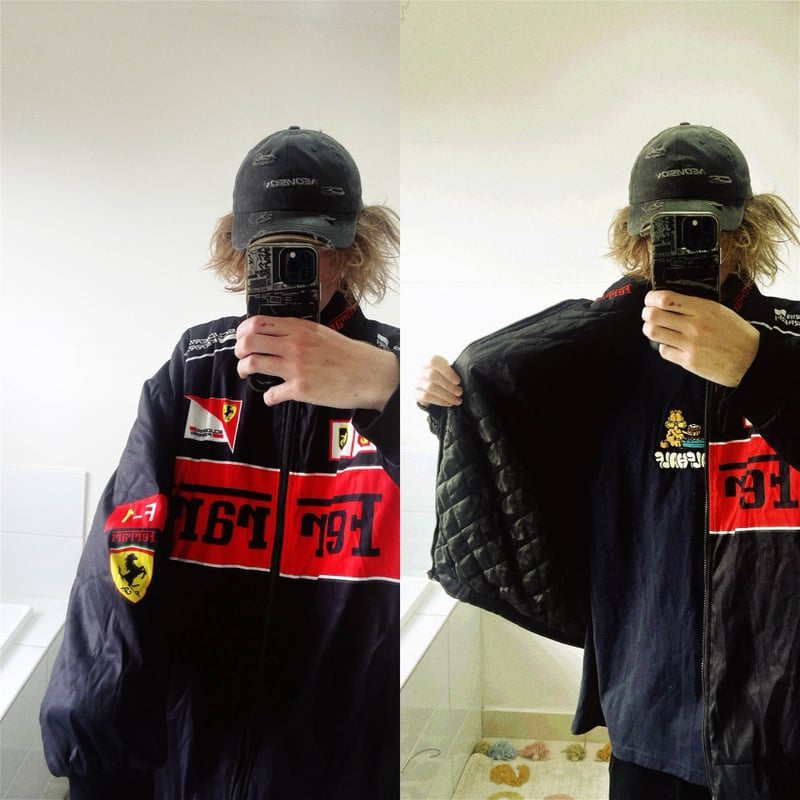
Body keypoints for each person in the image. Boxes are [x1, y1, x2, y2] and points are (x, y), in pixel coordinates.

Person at [416, 123, 799, 800]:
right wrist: (455, 407)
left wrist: (757, 366)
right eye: (668, 230)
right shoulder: (597, 353)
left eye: (708, 229)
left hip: (786, 719)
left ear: (746, 232)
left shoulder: (791, 343)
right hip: (649, 705)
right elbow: (525, 471)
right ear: (638, 236)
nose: (691, 248)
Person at [40, 126, 400, 800]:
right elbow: (122, 554)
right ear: (239, 252)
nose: (295, 271)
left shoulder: (395, 370)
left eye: (314, 249)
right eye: (271, 250)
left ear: (354, 250)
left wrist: (388, 391)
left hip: (345, 759)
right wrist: (98, 758)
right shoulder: (194, 367)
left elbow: (457, 514)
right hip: (191, 751)